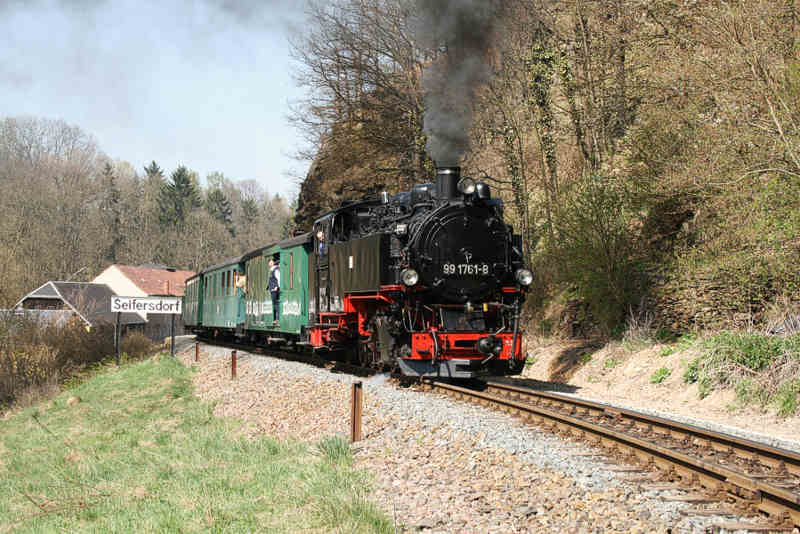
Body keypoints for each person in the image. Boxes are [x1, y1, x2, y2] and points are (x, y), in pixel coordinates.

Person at [268, 257, 280, 325]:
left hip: (275, 289)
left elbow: (278, 278)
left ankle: (277, 318)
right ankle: (276, 318)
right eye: (269, 262)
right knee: (274, 304)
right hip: (272, 289)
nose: (270, 263)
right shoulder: (272, 270)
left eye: (271, 262)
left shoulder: (275, 270)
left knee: (276, 304)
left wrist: (277, 287)